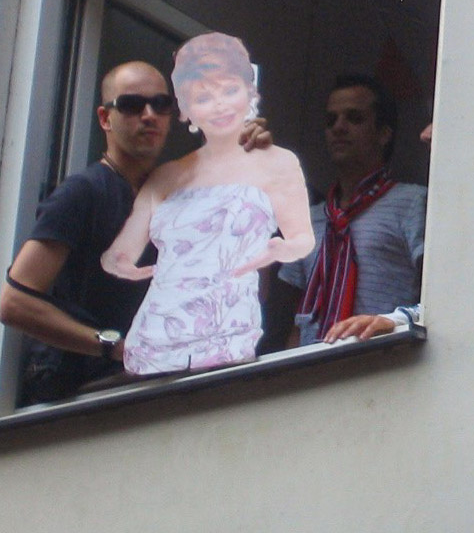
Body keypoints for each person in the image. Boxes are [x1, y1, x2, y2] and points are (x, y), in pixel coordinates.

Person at [0, 60, 268, 403]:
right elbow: (15, 302)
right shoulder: (83, 192)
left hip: (151, 394)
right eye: (130, 105)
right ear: (104, 118)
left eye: (161, 104)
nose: (149, 114)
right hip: (83, 399)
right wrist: (115, 346)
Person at [101, 33, 313, 375]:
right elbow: (118, 256)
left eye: (230, 90)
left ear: (250, 94)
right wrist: (143, 270)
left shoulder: (278, 163)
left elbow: (302, 239)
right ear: (186, 110)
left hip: (228, 337)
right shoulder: (166, 176)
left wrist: (276, 250)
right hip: (153, 340)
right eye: (203, 97)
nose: (220, 105)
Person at [276, 75, 427, 345]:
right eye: (330, 120)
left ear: (384, 134)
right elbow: (296, 322)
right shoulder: (308, 218)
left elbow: (441, 297)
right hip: (312, 371)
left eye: (354, 118)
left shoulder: (413, 202)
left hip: (385, 365)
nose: (339, 128)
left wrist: (395, 321)